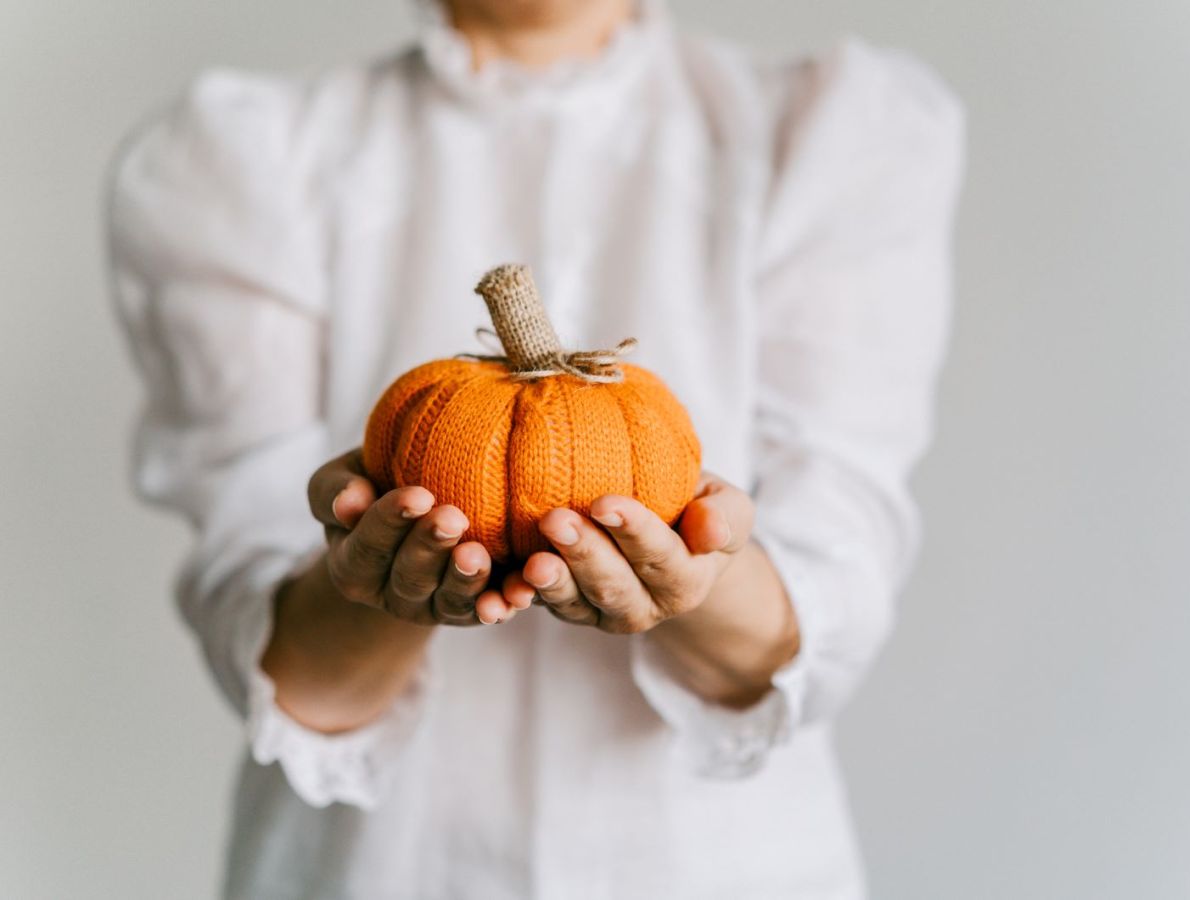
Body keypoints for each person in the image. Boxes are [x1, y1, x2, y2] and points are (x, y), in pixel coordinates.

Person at [107, 0, 963, 896]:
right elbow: (275, 652)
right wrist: (376, 587)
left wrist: (702, 583)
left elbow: (834, 589)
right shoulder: (238, 161)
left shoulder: (833, 135)